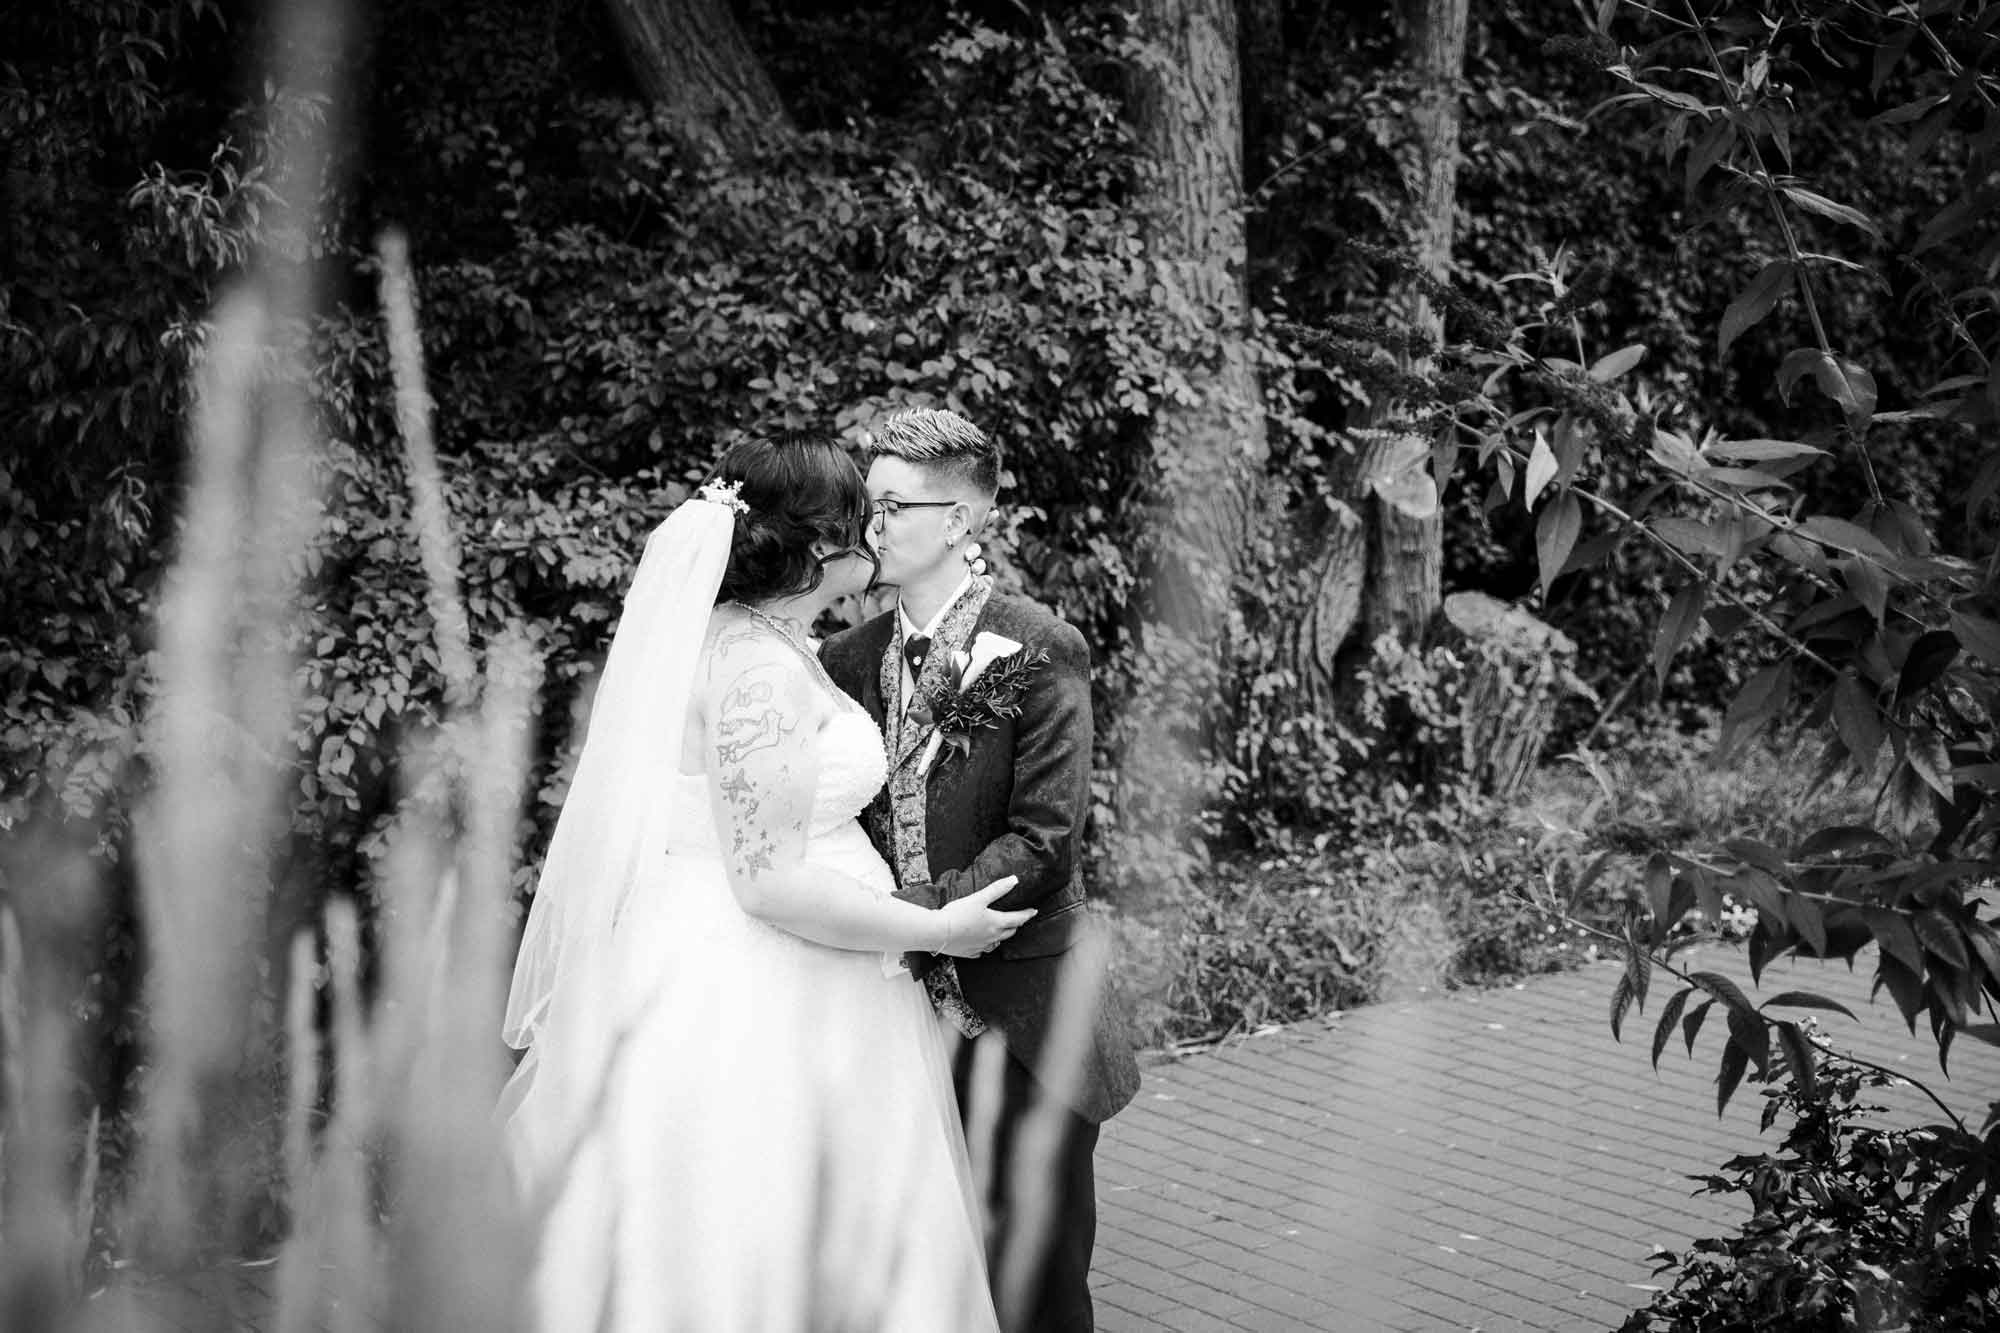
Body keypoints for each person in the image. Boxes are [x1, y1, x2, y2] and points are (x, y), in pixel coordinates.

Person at [498, 433, 1033, 1332]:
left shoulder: (759, 637)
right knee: (753, 1217)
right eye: (862, 518)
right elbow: (770, 885)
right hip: (762, 984)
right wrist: (938, 930)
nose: (876, 534)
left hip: (766, 962)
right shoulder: (756, 675)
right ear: (819, 545)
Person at [821, 408, 1141, 1333]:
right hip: (892, 1025)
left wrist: (909, 920)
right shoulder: (845, 660)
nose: (872, 525)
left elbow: (1045, 841)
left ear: (958, 519)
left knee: (1036, 1288)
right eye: (869, 504)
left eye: (893, 506)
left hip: (1028, 1018)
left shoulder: (1042, 645)